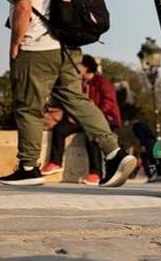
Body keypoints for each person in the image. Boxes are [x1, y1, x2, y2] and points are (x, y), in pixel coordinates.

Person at [0, 0, 136, 187]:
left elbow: (23, 7)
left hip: (37, 48)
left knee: (28, 106)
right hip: (67, 49)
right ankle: (114, 152)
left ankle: (28, 167)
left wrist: (16, 41)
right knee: (78, 101)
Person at [44, 55, 121, 185]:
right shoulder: (79, 84)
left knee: (91, 136)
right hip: (80, 119)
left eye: (78, 65)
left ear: (86, 67)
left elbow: (108, 103)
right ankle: (55, 162)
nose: (76, 68)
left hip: (104, 119)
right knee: (60, 129)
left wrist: (93, 115)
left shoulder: (103, 83)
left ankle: (95, 173)